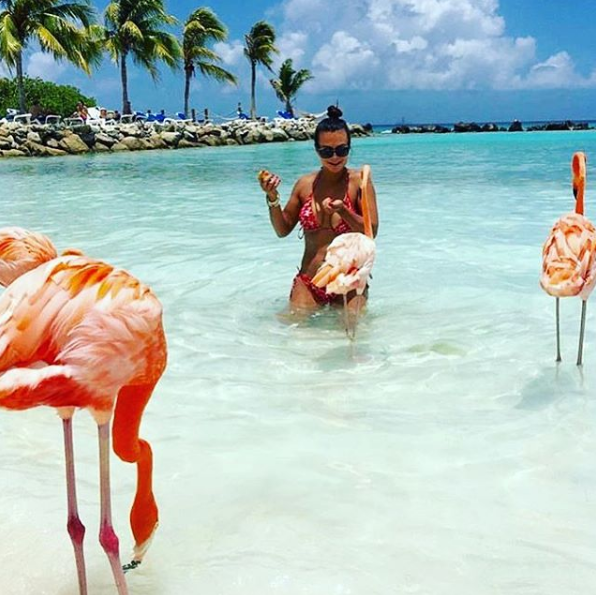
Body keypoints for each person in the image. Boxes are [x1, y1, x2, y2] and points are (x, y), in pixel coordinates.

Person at [258, 105, 379, 311]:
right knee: (293, 337)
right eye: (326, 151)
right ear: (316, 149)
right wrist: (272, 197)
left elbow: (371, 232)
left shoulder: (360, 182)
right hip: (309, 280)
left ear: (350, 147)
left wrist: (343, 211)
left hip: (349, 280)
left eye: (342, 150)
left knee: (352, 338)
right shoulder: (305, 185)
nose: (334, 157)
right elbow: (282, 229)